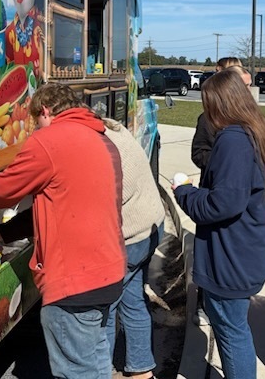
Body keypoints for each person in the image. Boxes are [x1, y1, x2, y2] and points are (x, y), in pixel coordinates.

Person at [0, 82, 126, 379]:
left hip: (74, 283)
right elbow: (60, 207)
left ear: (45, 111)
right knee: (96, 362)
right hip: (108, 272)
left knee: (76, 372)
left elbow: (1, 193)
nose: (35, 127)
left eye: (36, 120)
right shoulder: (101, 139)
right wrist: (5, 232)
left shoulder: (49, 141)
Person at [174, 69, 265, 379]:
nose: (207, 112)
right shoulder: (258, 129)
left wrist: (185, 193)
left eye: (209, 103)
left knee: (232, 332)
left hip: (230, 257)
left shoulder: (233, 139)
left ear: (222, 103)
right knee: (234, 328)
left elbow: (223, 204)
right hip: (246, 249)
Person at [102, 118, 166, 379]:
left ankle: (99, 371)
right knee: (133, 300)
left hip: (128, 236)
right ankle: (141, 369)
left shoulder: (98, 146)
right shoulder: (113, 128)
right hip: (149, 227)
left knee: (104, 309)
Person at [190, 56, 249, 325]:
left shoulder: (252, 125)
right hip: (213, 190)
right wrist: (219, 163)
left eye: (248, 86)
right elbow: (198, 152)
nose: (247, 91)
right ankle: (203, 305)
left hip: (234, 201)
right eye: (242, 86)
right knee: (209, 253)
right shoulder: (208, 119)